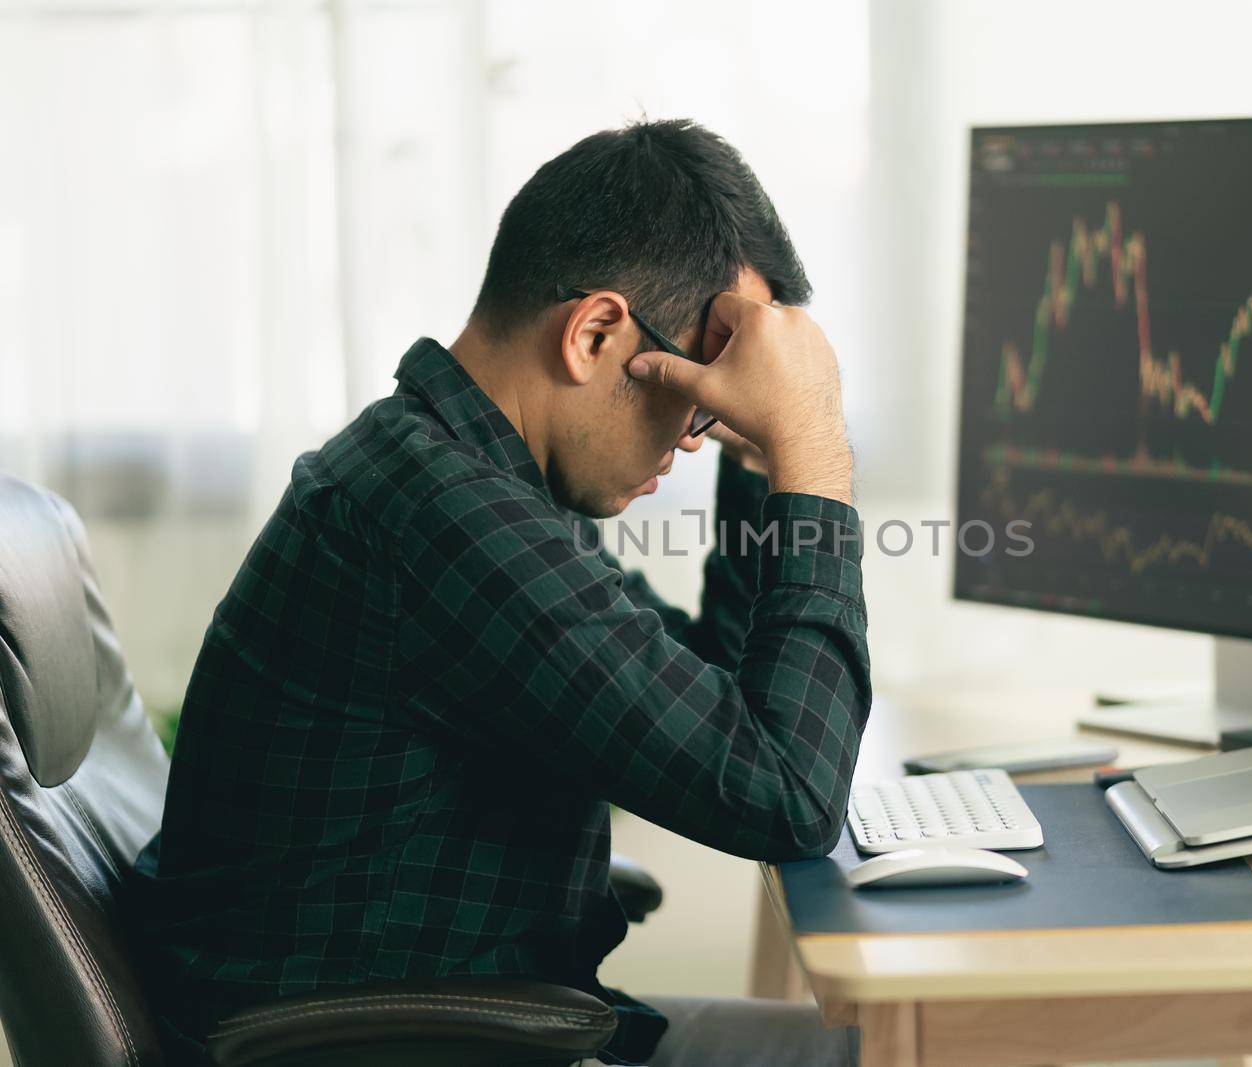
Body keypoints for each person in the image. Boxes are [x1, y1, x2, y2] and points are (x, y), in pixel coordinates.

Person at [129, 118, 868, 1067]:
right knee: (917, 1051)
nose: (695, 431)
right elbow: (787, 794)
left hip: (447, 1026)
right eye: (695, 396)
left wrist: (763, 461)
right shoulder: (445, 521)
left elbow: (721, 686)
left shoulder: (458, 476)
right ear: (596, 332)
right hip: (397, 1048)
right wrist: (814, 455)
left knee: (899, 1046)